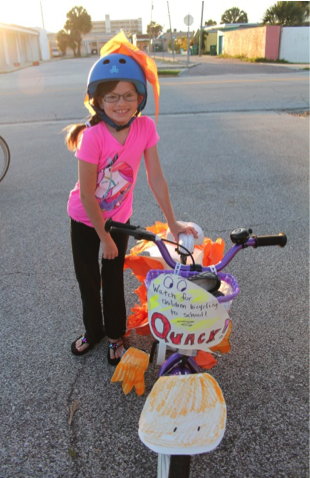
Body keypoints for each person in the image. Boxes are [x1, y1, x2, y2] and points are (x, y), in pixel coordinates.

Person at [65, 48, 197, 365]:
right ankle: (92, 331)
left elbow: (156, 178)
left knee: (112, 279)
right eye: (112, 97)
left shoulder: (145, 129)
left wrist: (174, 223)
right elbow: (86, 195)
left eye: (128, 95)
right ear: (98, 100)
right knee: (88, 279)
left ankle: (115, 336)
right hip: (85, 218)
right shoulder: (92, 137)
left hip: (119, 221)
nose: (121, 103)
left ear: (140, 98)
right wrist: (104, 237)